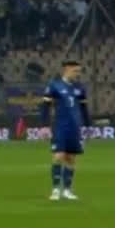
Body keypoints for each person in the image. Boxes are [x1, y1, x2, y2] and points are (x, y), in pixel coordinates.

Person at [41, 60, 89, 201]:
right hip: (60, 126)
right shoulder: (54, 85)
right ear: (66, 69)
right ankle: (56, 189)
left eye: (79, 71)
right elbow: (45, 107)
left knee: (71, 158)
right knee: (58, 156)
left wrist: (87, 126)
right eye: (75, 71)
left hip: (75, 127)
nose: (77, 74)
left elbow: (84, 109)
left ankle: (67, 190)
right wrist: (44, 125)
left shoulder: (79, 88)